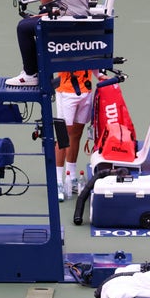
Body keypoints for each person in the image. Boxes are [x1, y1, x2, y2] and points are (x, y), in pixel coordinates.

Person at [6, 0, 90, 87]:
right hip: (74, 17)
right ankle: (34, 70)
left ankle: (30, 74)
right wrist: (50, 14)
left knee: (23, 28)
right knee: (40, 14)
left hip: (71, 23)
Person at [55, 70, 99, 201]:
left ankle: (71, 177)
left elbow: (93, 57)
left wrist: (100, 75)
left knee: (76, 135)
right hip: (66, 91)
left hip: (85, 91)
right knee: (63, 136)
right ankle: (57, 181)